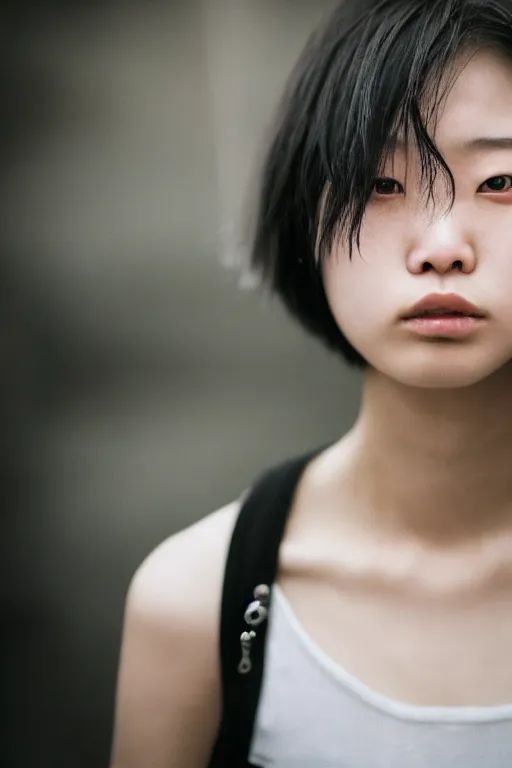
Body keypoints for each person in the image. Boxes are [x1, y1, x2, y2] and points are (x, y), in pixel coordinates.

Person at [109, 0, 512, 765]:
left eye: (501, 179)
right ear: (304, 217)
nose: (441, 248)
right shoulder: (199, 601)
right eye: (379, 184)